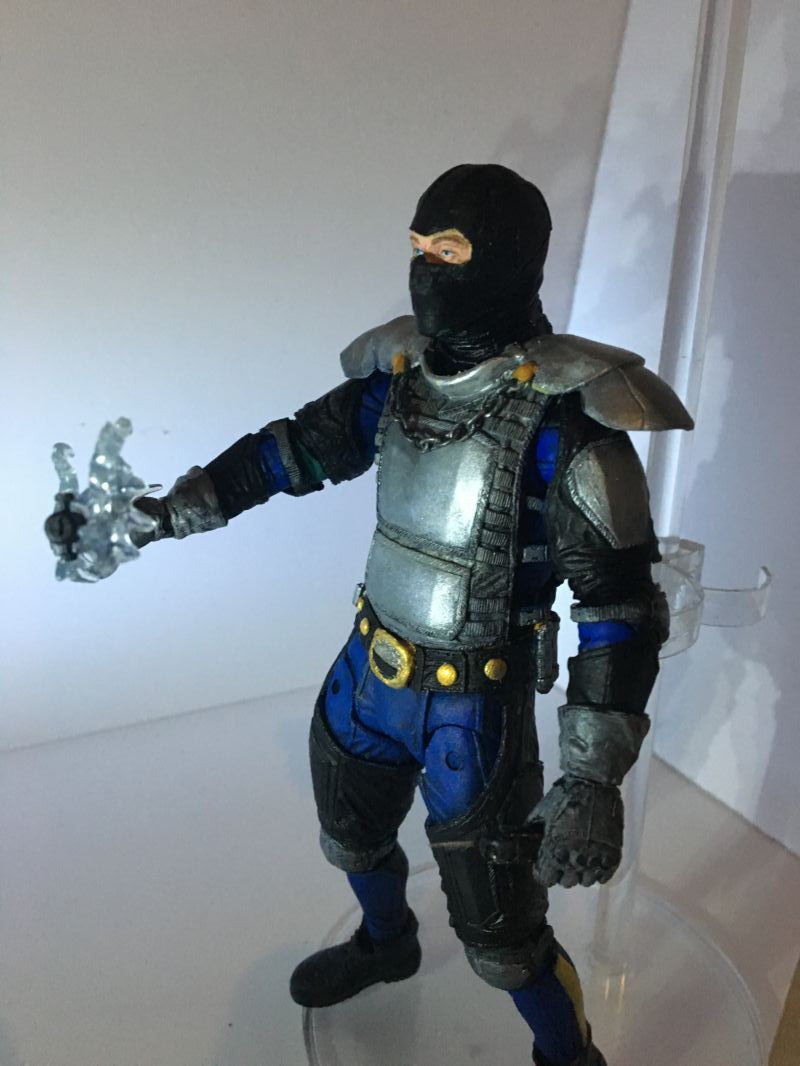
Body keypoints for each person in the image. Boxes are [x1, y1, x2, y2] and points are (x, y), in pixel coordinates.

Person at [136, 164, 692, 1065]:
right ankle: (387, 943)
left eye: (450, 250)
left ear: (507, 260)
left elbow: (619, 607)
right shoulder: (397, 379)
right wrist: (178, 509)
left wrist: (593, 777)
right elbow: (291, 451)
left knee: (503, 937)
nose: (426, 269)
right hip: (367, 673)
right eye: (418, 247)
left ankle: (569, 1056)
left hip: (474, 707)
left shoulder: (569, 422)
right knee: (350, 839)